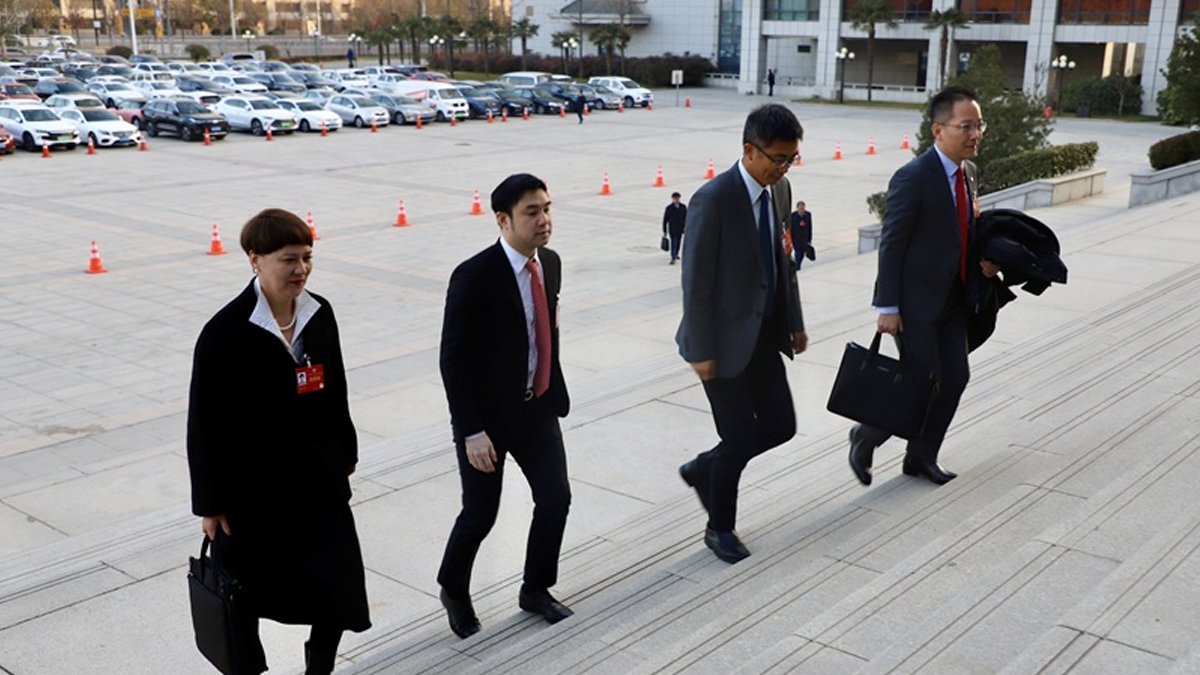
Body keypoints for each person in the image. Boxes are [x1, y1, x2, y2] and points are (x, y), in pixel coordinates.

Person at [187, 208, 370, 675]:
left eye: (307, 258)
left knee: (339, 589)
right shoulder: (224, 333)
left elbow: (337, 389)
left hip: (318, 487)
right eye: (289, 259)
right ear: (255, 259)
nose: (301, 270)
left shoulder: (319, 313)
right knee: (243, 598)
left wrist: (344, 455)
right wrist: (210, 504)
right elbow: (203, 424)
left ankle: (319, 667)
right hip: (254, 498)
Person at [437, 173, 574, 638]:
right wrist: (471, 429)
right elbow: (452, 360)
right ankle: (453, 588)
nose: (544, 220)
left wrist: (550, 385)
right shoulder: (474, 276)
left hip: (536, 408)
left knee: (556, 497)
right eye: (532, 212)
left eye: (547, 209)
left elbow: (544, 330)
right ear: (503, 219)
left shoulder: (549, 263)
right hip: (486, 421)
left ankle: (535, 588)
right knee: (481, 514)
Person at [847, 85, 999, 487]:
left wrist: (984, 261)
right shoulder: (912, 177)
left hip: (955, 299)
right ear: (938, 130)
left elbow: (961, 232)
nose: (975, 134)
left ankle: (920, 457)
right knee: (921, 380)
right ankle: (867, 434)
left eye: (979, 125)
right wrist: (888, 306)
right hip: (915, 305)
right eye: (966, 126)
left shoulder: (969, 173)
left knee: (955, 379)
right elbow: (892, 243)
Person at [675, 104, 808, 564]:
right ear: (749, 150)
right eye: (777, 158)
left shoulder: (781, 190)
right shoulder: (713, 199)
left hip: (764, 337)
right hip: (721, 345)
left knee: (781, 426)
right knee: (738, 438)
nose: (784, 167)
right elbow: (696, 283)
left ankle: (701, 469)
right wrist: (701, 350)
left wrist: (794, 322)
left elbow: (783, 262)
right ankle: (719, 528)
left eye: (791, 158)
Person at [662, 191, 687, 265]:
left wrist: (686, 227)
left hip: (680, 228)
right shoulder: (669, 208)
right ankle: (673, 257)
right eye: (675, 198)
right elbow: (665, 219)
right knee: (673, 242)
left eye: (678, 198)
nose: (676, 200)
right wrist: (664, 230)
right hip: (672, 228)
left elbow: (686, 218)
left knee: (678, 242)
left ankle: (676, 254)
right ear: (672, 199)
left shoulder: (683, 207)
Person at [789, 200, 814, 269]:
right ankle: (797, 266)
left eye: (803, 208)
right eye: (800, 209)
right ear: (797, 208)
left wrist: (809, 238)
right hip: (796, 238)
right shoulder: (793, 216)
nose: (802, 210)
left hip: (804, 238)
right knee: (798, 252)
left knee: (802, 253)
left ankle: (798, 264)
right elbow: (790, 227)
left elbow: (810, 227)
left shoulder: (808, 215)